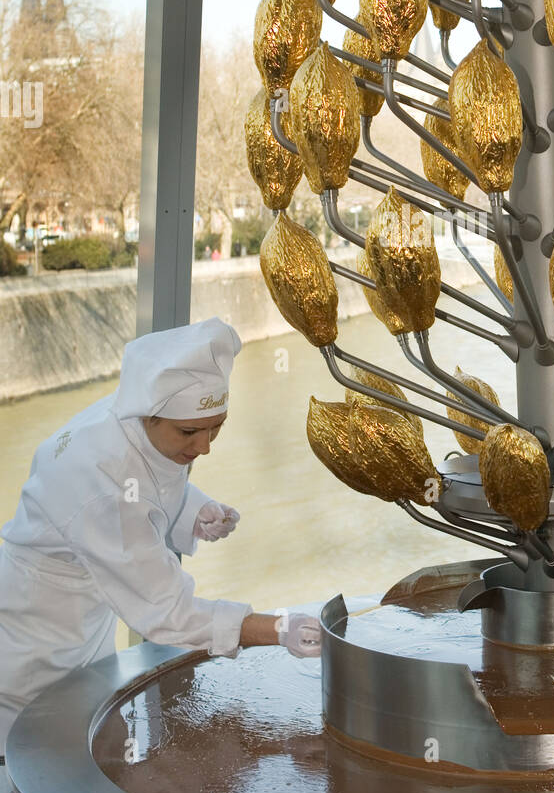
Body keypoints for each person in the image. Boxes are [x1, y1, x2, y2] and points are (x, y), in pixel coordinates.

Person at [0, 317, 320, 758]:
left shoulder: (130, 422)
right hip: (35, 644)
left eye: (217, 427)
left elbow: (150, 481)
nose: (204, 447)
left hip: (85, 613)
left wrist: (191, 509)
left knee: (91, 734)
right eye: (190, 432)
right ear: (150, 414)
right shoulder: (101, 483)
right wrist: (278, 627)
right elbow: (166, 611)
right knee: (45, 760)